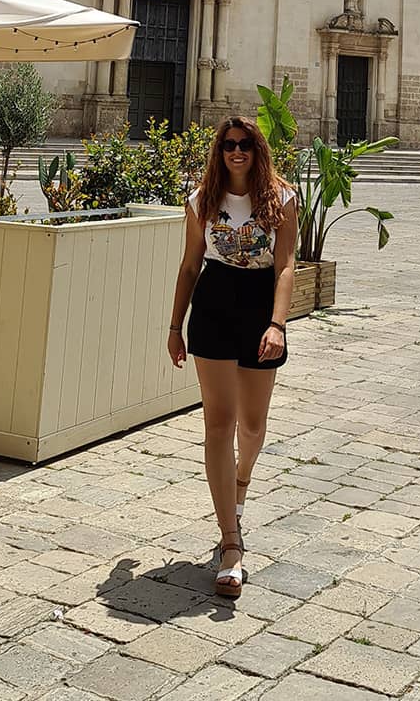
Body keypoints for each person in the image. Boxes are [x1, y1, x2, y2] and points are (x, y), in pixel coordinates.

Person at [167, 116, 297, 599]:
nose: (236, 152)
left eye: (244, 145)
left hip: (261, 306)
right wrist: (174, 326)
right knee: (218, 424)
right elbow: (189, 265)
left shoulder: (281, 198)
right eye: (228, 146)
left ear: (257, 150)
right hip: (215, 305)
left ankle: (241, 483)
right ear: (218, 152)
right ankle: (230, 542)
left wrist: (278, 324)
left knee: (253, 426)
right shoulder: (202, 200)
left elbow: (285, 266)